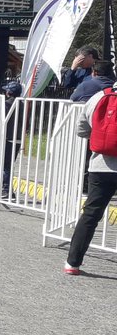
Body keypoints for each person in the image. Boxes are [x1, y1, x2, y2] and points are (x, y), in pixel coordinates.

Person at [64, 85, 117, 275]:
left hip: (100, 165)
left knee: (90, 214)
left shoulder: (99, 96)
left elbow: (81, 129)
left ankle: (73, 262)